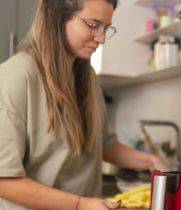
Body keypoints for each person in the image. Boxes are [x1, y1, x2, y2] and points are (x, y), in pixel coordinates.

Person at [0, 0, 168, 209]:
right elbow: (4, 181)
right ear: (58, 16)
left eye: (106, 28)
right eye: (92, 25)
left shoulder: (87, 77)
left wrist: (149, 161)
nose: (101, 38)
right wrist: (80, 204)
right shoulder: (16, 76)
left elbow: (104, 145)